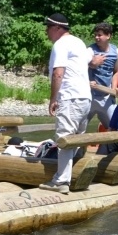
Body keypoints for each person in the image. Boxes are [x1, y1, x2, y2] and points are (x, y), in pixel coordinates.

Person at [38, 13, 94, 195]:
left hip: (69, 97)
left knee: (64, 139)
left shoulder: (60, 44)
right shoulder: (78, 42)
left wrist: (53, 98)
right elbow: (88, 62)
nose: (46, 31)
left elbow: (58, 73)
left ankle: (61, 181)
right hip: (85, 97)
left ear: (57, 28)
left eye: (48, 27)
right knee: (77, 137)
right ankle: (76, 175)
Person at [87, 22, 118, 130]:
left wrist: (113, 90)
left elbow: (116, 71)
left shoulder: (116, 52)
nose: (96, 37)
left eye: (100, 35)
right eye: (95, 35)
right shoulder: (89, 50)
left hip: (106, 96)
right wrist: (91, 64)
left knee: (114, 127)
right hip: (89, 96)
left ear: (108, 36)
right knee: (79, 128)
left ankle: (113, 147)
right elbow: (79, 69)